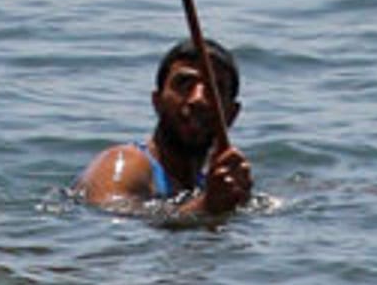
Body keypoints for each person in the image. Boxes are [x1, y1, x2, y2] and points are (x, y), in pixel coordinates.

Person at [76, 37, 253, 219]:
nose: (198, 99)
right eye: (185, 84)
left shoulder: (206, 185)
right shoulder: (125, 163)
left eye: (214, 89)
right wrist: (206, 205)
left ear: (232, 115)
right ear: (157, 101)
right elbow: (108, 220)